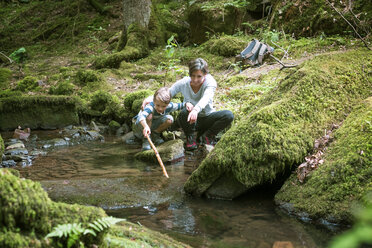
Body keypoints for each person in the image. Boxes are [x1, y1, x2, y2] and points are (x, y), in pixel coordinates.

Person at [142, 58, 234, 151]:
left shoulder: (210, 82)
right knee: (185, 111)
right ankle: (190, 137)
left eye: (199, 76)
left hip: (207, 117)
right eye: (193, 76)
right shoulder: (184, 82)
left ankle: (208, 136)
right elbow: (167, 93)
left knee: (228, 115)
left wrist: (196, 109)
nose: (195, 79)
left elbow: (206, 97)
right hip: (188, 119)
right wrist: (150, 99)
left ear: (205, 74)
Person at [133, 87, 190, 151]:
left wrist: (187, 103)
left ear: (167, 104)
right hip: (141, 126)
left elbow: (179, 105)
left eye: (163, 106)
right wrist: (145, 126)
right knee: (149, 115)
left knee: (170, 119)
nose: (160, 108)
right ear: (154, 101)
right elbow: (141, 117)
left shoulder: (169, 106)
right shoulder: (150, 106)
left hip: (153, 125)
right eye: (158, 105)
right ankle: (146, 139)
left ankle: (155, 134)